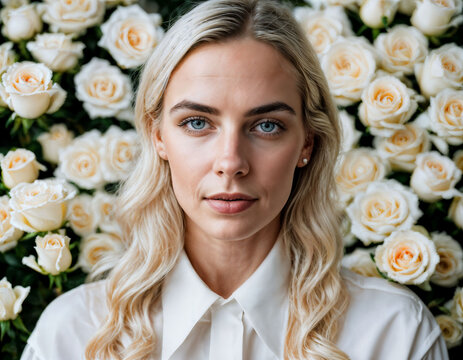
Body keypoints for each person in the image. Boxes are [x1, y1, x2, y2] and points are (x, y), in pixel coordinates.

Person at [21, 0, 448, 359]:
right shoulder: (72, 335)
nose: (231, 162)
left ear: (307, 144)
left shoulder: (394, 334)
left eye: (266, 126)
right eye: (196, 122)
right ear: (158, 138)